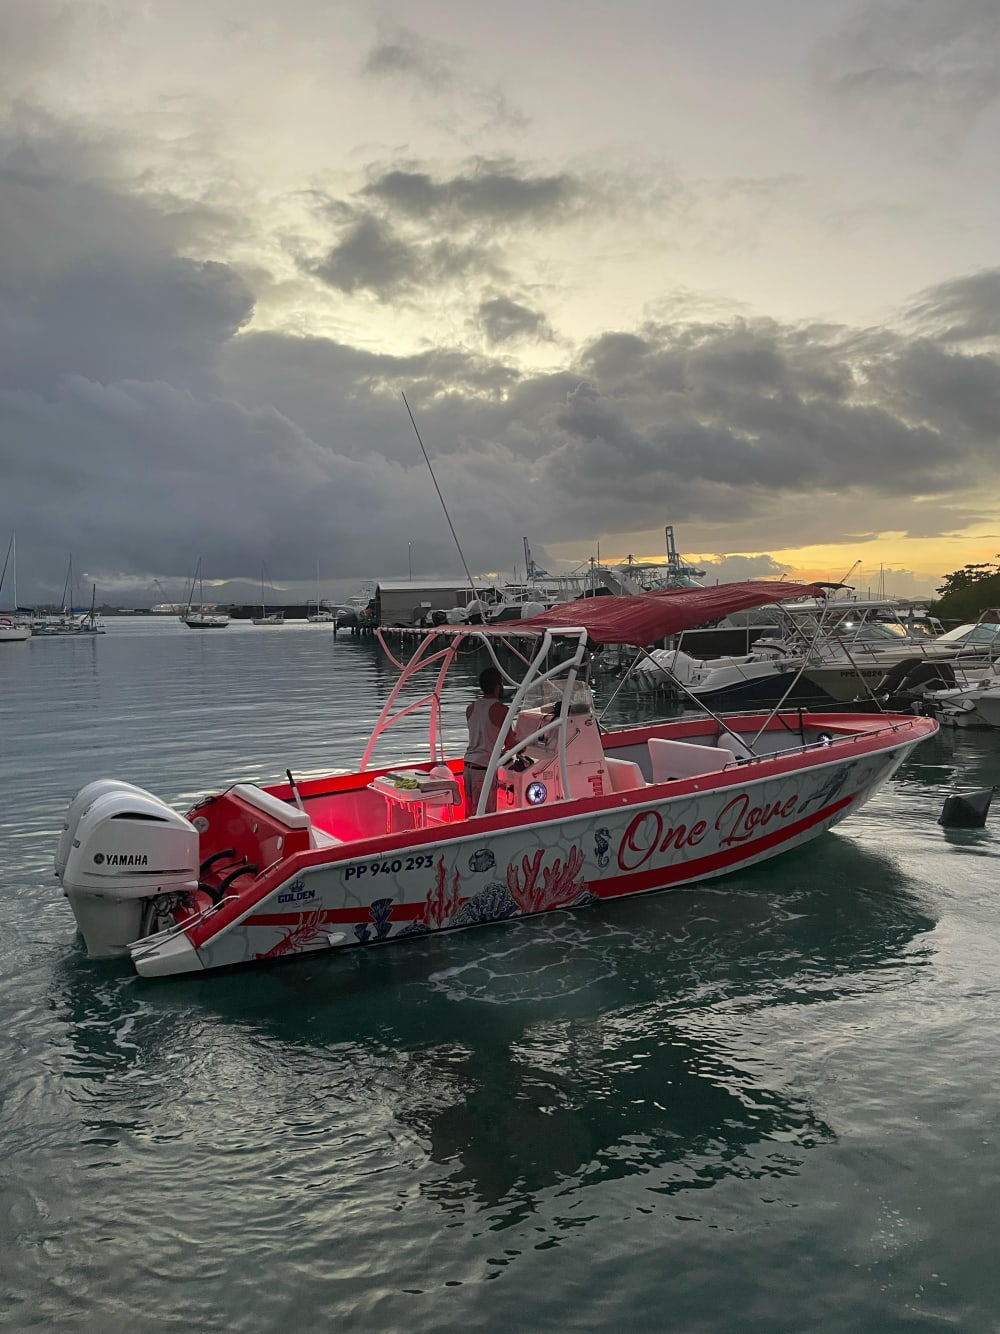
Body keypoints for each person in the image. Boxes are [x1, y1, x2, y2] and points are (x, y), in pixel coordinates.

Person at [464, 666, 511, 815]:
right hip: (483, 770)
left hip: (468, 768)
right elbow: (511, 743)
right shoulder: (502, 710)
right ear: (498, 687)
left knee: (471, 814)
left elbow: (484, 735)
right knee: (485, 816)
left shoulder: (470, 708)